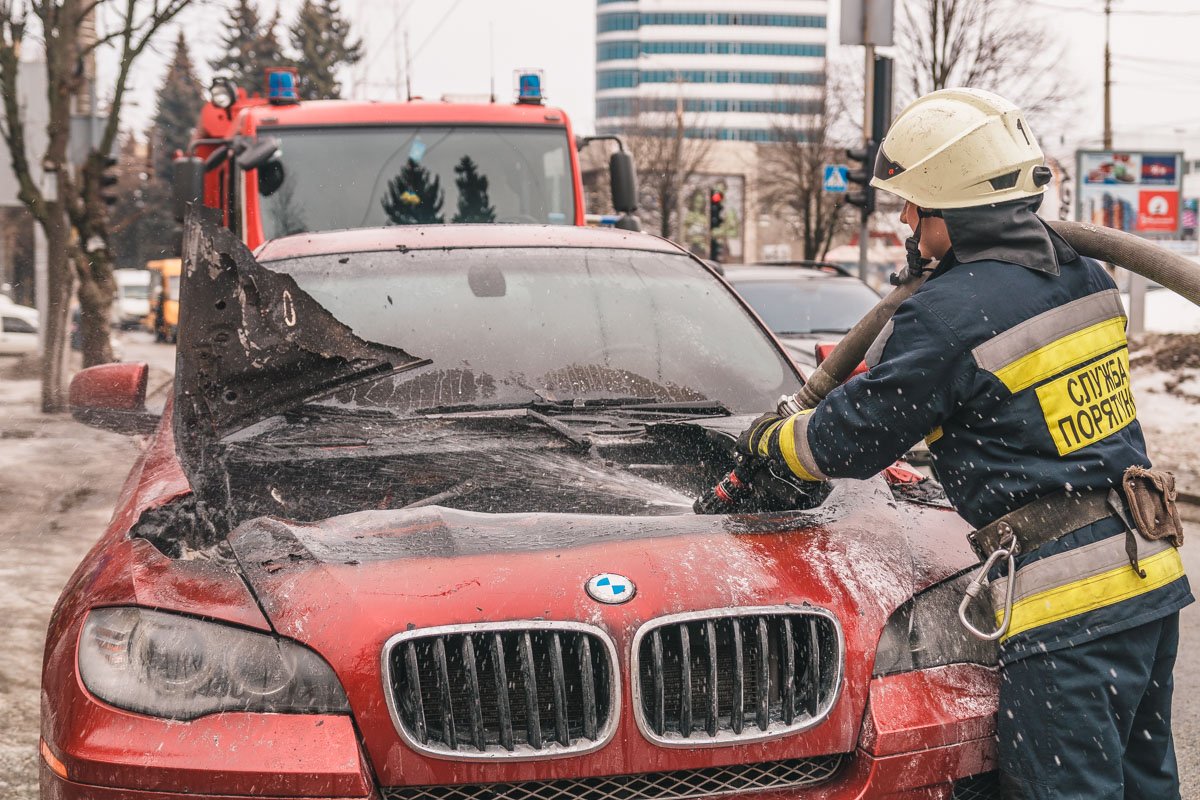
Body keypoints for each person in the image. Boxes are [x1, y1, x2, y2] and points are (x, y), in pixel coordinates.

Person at [739, 88, 1192, 799]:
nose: (905, 220)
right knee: (1145, 788)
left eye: (914, 204)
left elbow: (849, 439)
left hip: (1068, 610)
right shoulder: (1082, 275)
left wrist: (773, 444)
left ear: (954, 207)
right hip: (1146, 584)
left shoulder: (951, 315)